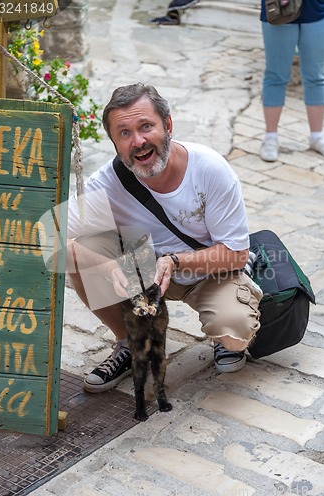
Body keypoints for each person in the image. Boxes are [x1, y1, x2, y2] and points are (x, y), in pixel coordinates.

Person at [66, 83, 263, 394]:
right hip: (143, 272)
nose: (139, 141)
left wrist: (174, 261)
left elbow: (236, 254)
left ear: (168, 125)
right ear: (115, 143)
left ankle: (231, 329)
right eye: (125, 133)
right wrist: (106, 269)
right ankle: (131, 345)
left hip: (209, 270)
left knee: (234, 332)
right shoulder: (106, 182)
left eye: (146, 126)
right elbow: (53, 239)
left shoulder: (209, 168)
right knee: (82, 253)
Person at [260, 0, 324, 162]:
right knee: (275, 75)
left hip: (318, 10)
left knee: (316, 76)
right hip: (278, 10)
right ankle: (270, 138)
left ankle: (317, 136)